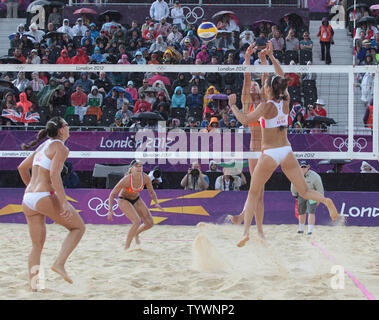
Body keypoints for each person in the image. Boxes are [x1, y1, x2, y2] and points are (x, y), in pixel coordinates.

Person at [229, 43, 339, 246]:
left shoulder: (265, 106)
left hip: (269, 152)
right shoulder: (286, 100)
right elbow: (281, 75)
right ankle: (325, 201)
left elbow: (244, 120)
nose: (261, 87)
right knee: (304, 191)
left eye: (264, 86)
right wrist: (271, 57)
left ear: (268, 89)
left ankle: (245, 233)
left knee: (253, 193)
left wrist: (232, 105)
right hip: (287, 150)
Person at [17, 117, 85, 290]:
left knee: (36, 246)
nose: (69, 128)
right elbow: (54, 175)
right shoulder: (60, 147)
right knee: (78, 228)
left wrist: (32, 190)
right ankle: (60, 263)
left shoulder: (42, 146)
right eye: (67, 125)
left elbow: (22, 168)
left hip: (28, 198)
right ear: (61, 129)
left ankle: (35, 286)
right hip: (43, 195)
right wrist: (63, 203)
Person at [228, 42, 264, 226]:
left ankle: (247, 222)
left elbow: (263, 78)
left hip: (267, 148)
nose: (252, 87)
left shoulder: (265, 102)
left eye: (255, 86)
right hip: (253, 148)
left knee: (259, 190)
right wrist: (248, 58)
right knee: (255, 188)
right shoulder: (247, 103)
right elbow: (246, 77)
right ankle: (247, 222)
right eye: (251, 87)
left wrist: (263, 59)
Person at [107, 160, 163, 250]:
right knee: (136, 221)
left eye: (140, 166)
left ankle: (136, 233)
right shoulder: (126, 180)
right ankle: (126, 248)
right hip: (123, 199)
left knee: (150, 223)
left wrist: (156, 202)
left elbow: (152, 192)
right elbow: (112, 194)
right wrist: (110, 210)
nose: (139, 168)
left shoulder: (145, 178)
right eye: (136, 166)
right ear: (131, 169)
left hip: (136, 199)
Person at [291, 161, 324, 235]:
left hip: (312, 195)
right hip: (301, 194)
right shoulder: (296, 175)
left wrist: (320, 198)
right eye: (301, 167)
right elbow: (293, 186)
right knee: (301, 213)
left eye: (304, 167)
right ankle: (300, 229)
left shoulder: (315, 176)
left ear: (308, 167)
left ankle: (310, 231)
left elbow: (320, 188)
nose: (303, 168)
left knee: (311, 212)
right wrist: (295, 195)